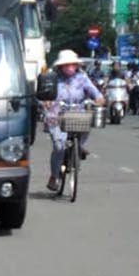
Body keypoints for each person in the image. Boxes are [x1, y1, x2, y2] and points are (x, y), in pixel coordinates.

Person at [44, 49, 102, 196]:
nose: (70, 67)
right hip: (57, 115)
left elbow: (95, 92)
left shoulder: (82, 78)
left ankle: (79, 147)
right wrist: (46, 102)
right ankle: (54, 176)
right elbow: (44, 95)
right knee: (59, 146)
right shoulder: (53, 79)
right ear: (60, 66)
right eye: (66, 64)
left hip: (77, 114)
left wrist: (99, 99)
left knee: (87, 122)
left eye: (72, 64)